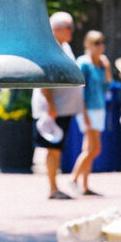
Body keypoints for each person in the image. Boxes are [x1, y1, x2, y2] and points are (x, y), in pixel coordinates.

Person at [33, 11, 86, 199]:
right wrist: (51, 106)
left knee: (57, 149)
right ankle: (52, 188)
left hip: (63, 108)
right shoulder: (49, 48)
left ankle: (55, 186)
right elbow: (44, 80)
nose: (72, 31)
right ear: (55, 29)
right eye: (68, 27)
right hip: (53, 110)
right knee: (52, 149)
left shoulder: (64, 47)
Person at [70, 30, 108, 196]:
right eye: (96, 43)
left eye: (101, 42)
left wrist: (106, 67)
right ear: (88, 45)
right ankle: (73, 179)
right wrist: (83, 113)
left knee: (89, 148)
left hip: (100, 108)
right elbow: (80, 90)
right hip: (88, 109)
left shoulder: (100, 64)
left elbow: (106, 87)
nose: (100, 46)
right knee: (95, 149)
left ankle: (85, 185)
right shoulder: (83, 63)